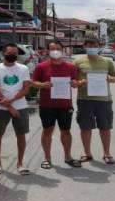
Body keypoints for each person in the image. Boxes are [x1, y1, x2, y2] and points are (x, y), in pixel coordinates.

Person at [31, 41, 81, 169]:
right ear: (48, 51)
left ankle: (68, 156)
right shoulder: (41, 67)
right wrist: (42, 85)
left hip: (65, 104)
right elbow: (33, 82)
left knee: (66, 131)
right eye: (52, 49)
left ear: (63, 50)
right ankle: (47, 158)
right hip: (47, 105)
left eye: (58, 48)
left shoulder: (70, 67)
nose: (55, 51)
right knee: (47, 130)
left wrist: (75, 83)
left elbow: (75, 81)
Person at [74, 37, 115, 165]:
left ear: (99, 46)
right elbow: (73, 81)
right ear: (84, 46)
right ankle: (87, 153)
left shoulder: (107, 61)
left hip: (104, 100)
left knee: (105, 128)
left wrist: (111, 79)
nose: (92, 48)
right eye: (89, 45)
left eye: (95, 45)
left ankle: (107, 153)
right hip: (84, 100)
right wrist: (79, 82)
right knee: (85, 128)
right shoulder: (77, 61)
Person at [0, 43, 31, 176]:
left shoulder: (23, 68)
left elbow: (26, 89)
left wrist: (12, 101)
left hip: (21, 107)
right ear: (3, 53)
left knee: (21, 136)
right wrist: (9, 107)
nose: (13, 55)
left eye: (15, 53)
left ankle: (20, 163)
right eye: (10, 52)